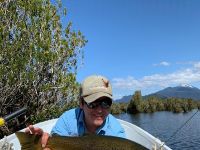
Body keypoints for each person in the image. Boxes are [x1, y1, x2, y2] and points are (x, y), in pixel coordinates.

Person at [25, 75, 126, 149]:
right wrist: (42, 142)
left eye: (105, 103)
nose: (99, 110)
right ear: (81, 103)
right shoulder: (67, 119)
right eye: (93, 103)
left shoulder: (117, 133)